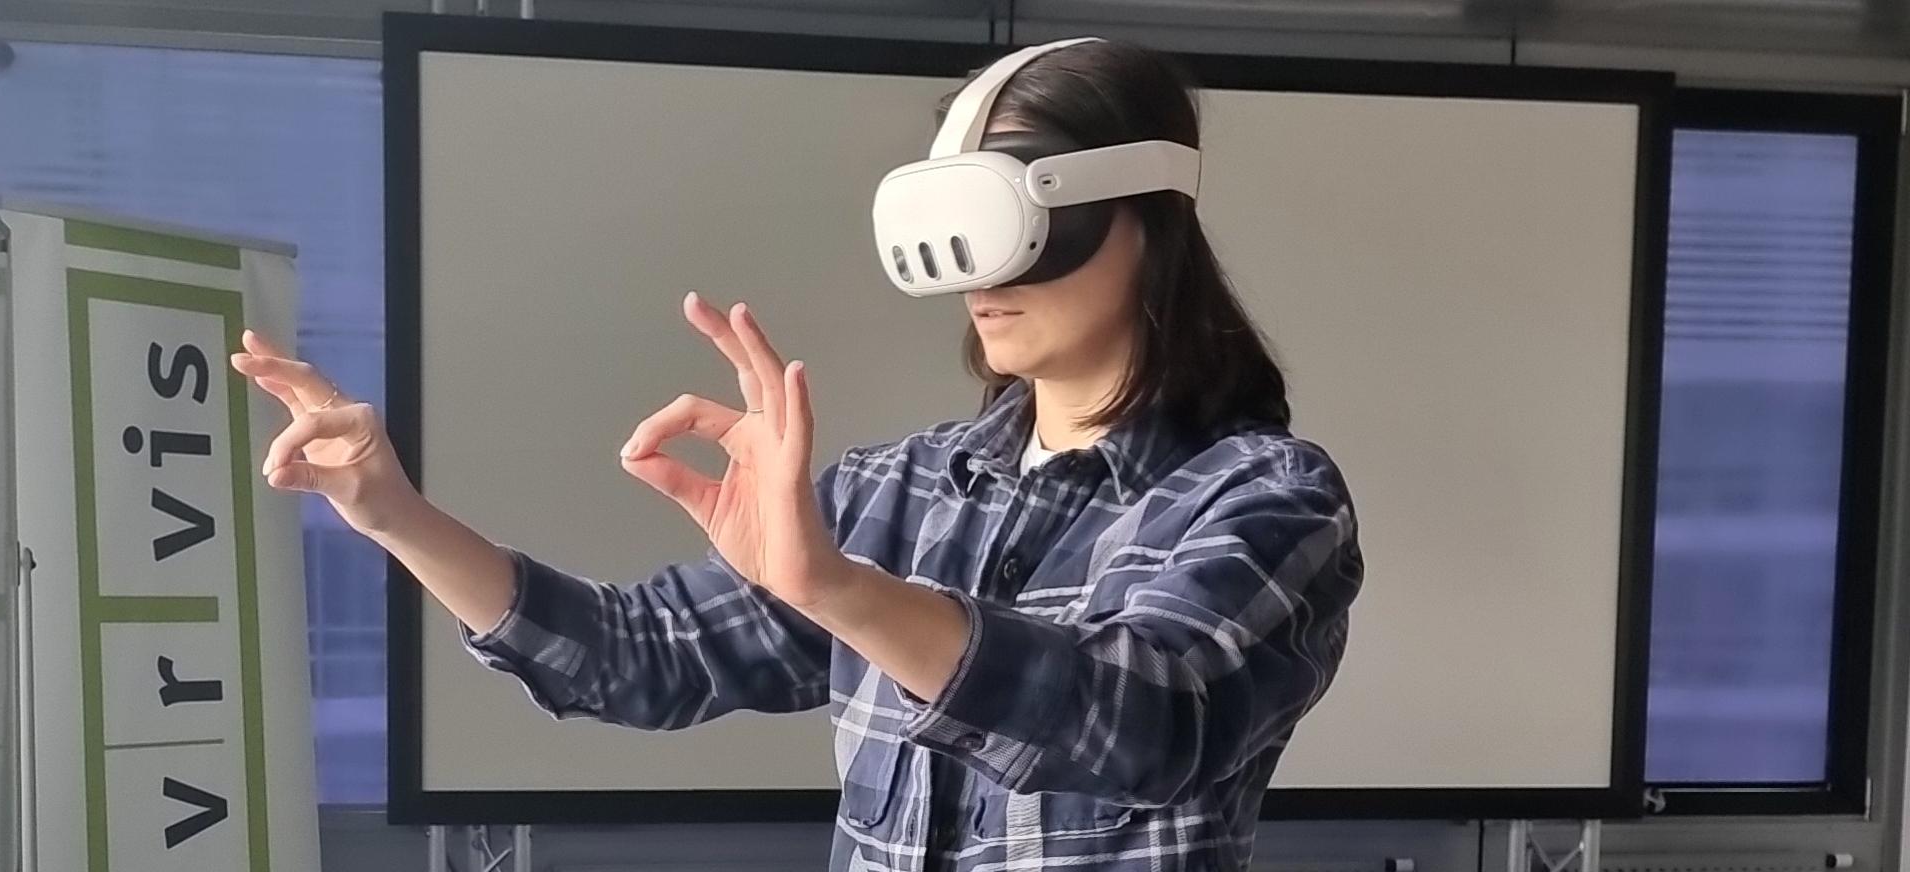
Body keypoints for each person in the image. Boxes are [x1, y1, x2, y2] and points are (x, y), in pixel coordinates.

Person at [233, 38, 1361, 872]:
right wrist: (392, 511)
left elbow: (1145, 721)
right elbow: (637, 655)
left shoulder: (1261, 496)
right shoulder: (900, 492)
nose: (982, 275)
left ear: (1144, 216)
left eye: (1016, 217)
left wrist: (837, 590)